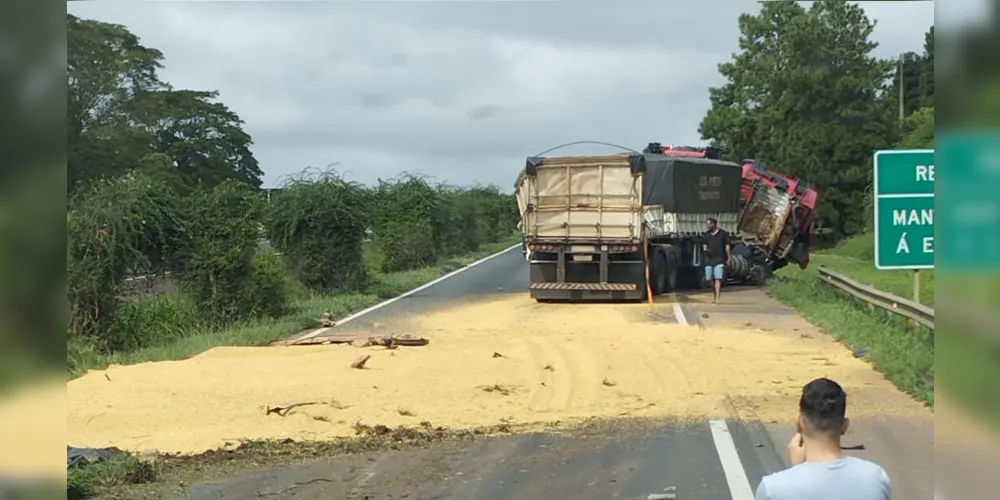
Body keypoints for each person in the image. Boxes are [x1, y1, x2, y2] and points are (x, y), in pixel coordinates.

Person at [755, 377, 891, 500]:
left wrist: (798, 469)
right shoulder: (875, 478)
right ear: (844, 426)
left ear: (799, 424)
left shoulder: (772, 489)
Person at [701, 217, 730, 304]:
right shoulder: (706, 235)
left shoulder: (723, 234)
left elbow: (727, 246)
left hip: (719, 259)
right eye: (707, 224)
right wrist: (705, 250)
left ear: (714, 224)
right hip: (709, 260)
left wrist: (728, 258)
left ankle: (717, 298)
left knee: (718, 278)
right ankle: (714, 295)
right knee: (710, 279)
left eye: (709, 224)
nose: (707, 226)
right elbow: (704, 245)